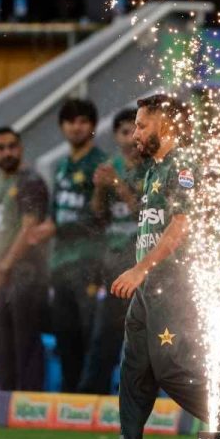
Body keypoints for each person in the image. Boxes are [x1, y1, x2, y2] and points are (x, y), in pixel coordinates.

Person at [82, 94, 220, 439]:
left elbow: (180, 227)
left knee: (169, 369)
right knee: (133, 370)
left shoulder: (183, 164)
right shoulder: (155, 169)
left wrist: (140, 270)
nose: (135, 134)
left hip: (174, 284)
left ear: (166, 125)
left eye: (142, 125)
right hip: (150, 287)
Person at [30, 99, 107, 392]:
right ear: (62, 126)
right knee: (65, 334)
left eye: (84, 121)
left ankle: (91, 397)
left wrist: (55, 228)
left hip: (89, 260)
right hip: (60, 262)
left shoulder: (100, 164)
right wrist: (44, 230)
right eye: (71, 121)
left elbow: (99, 216)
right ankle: (70, 394)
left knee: (89, 334)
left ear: (92, 126)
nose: (77, 126)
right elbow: (56, 212)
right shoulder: (63, 165)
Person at [78, 107, 146, 394]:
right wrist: (98, 189)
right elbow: (98, 216)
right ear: (116, 136)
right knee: (103, 335)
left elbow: (143, 213)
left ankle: (140, 397)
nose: (131, 137)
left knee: (142, 338)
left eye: (136, 130)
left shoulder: (153, 167)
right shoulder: (109, 165)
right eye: (124, 131)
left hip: (142, 265)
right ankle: (90, 399)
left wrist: (116, 185)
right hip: (112, 263)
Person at [0, 127, 48, 391]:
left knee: (25, 339)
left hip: (24, 273)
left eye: (11, 147)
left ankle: (29, 402)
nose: (6, 152)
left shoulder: (30, 181)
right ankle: (5, 400)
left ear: (20, 149)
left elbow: (29, 227)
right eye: (0, 147)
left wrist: (4, 266)